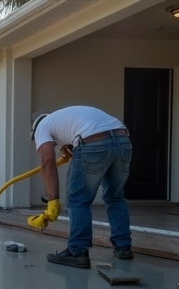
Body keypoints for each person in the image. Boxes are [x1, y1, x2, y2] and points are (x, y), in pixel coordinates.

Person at [28, 106, 134, 268]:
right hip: (122, 140)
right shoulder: (63, 118)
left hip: (93, 142)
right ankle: (123, 247)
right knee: (115, 196)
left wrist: (52, 200)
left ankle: (77, 251)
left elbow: (47, 162)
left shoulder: (41, 127)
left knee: (77, 200)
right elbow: (84, 132)